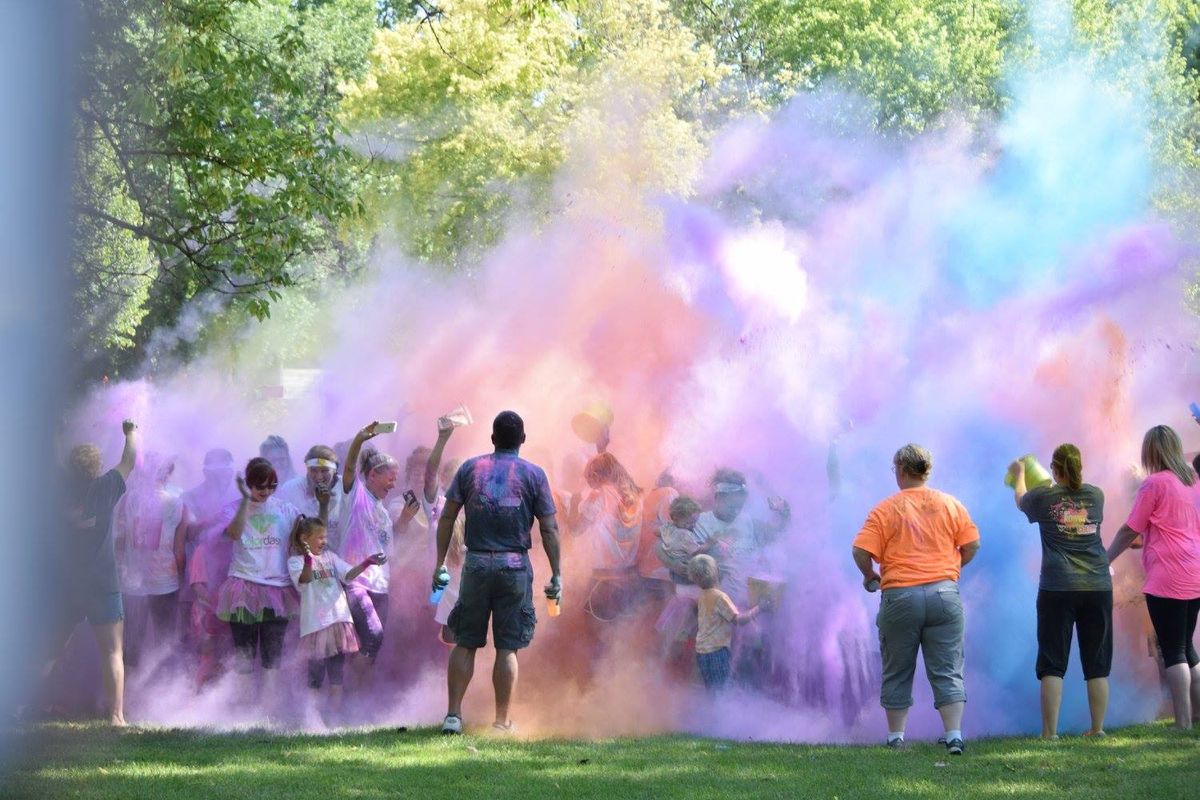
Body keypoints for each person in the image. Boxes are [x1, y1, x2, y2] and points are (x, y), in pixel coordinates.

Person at [433, 411, 561, 734]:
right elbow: (549, 528)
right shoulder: (535, 474)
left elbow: (447, 517)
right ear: (522, 440)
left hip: (476, 564)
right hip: (514, 566)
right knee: (507, 648)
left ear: (492, 439)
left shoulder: (469, 468)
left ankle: (453, 717)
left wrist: (440, 563)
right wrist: (557, 572)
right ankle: (502, 722)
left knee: (465, 641)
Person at [852, 444, 980, 753]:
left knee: (898, 668)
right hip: (944, 595)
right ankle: (953, 737)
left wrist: (870, 576)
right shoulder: (951, 504)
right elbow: (972, 544)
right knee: (947, 667)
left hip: (900, 597)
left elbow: (859, 551)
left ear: (901, 470)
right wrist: (950, 570)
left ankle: (896, 738)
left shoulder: (885, 509)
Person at [1008, 445, 1111, 738]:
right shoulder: (1096, 495)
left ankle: (1050, 732)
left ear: (1054, 469)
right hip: (1098, 585)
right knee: (1097, 660)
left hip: (1057, 586)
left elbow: (1020, 500)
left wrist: (1019, 475)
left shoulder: (1044, 497)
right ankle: (1098, 728)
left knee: (1053, 661)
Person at [1106, 425, 1200, 730]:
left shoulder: (1153, 485)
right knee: (1187, 647)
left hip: (1167, 576)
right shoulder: (1193, 481)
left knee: (1172, 650)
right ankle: (1196, 716)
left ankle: (1182, 722)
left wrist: (1104, 558)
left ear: (1150, 452)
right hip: (1194, 571)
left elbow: (1130, 528)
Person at [51, 419, 137, 725]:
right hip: (102, 582)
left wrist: (56, 432)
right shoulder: (107, 486)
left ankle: (13, 708)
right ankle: (117, 717)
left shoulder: (58, 487)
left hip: (67, 584)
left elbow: (53, 460)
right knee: (113, 652)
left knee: (47, 649)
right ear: (97, 468)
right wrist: (130, 433)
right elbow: (129, 461)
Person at [215, 457, 300, 694]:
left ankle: (268, 708)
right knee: (244, 654)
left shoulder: (286, 509)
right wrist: (245, 501)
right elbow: (233, 533)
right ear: (248, 483)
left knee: (273, 655)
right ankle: (243, 710)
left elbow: (304, 539)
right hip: (244, 587)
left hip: (277, 590)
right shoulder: (232, 508)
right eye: (260, 485)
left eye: (271, 486)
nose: (266, 491)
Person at [287, 515, 384, 716]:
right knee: (315, 676)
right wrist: (307, 560)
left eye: (325, 537)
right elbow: (303, 582)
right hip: (316, 626)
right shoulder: (295, 562)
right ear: (305, 538)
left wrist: (367, 563)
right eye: (320, 537)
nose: (324, 541)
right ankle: (312, 721)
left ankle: (333, 719)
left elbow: (347, 575)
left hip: (339, 622)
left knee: (336, 676)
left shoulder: (330, 558)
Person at [340, 422, 412, 674]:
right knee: (373, 637)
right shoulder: (356, 496)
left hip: (381, 586)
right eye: (390, 479)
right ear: (372, 475)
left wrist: (404, 520)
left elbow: (388, 550)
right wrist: (359, 439)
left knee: (371, 648)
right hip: (357, 583)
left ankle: (359, 704)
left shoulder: (381, 510)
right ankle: (347, 693)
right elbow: (349, 469)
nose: (393, 485)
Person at [113, 452, 188, 669]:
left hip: (132, 584)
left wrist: (120, 572)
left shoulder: (127, 499)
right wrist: (180, 579)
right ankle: (162, 692)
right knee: (164, 642)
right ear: (168, 473)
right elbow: (179, 549)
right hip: (165, 582)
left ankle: (127, 695)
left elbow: (119, 541)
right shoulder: (176, 503)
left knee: (131, 643)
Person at [693, 469, 790, 607]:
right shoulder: (699, 524)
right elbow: (691, 569)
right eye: (732, 506)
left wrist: (784, 511)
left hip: (748, 603)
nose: (736, 512)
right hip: (714, 607)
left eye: (740, 507)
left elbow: (775, 534)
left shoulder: (747, 521)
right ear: (718, 497)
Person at [689, 554, 763, 691]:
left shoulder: (702, 595)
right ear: (717, 572)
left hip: (701, 651)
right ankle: (719, 712)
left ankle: (711, 711)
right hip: (717, 651)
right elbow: (739, 621)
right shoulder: (720, 597)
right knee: (720, 690)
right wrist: (760, 608)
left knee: (711, 688)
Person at [276, 445, 342, 549]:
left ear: (335, 470)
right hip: (302, 560)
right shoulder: (290, 489)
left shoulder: (345, 489)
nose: (319, 476)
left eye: (324, 470)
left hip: (339, 561)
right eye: (313, 470)